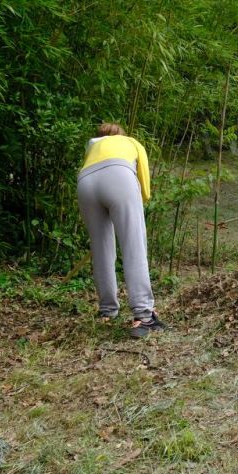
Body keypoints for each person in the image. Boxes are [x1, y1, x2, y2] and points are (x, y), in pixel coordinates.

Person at [77, 122, 164, 339]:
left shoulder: (91, 147)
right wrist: (134, 206)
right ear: (121, 134)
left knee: (101, 250)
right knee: (133, 246)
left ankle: (107, 311)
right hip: (120, 177)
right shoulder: (131, 142)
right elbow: (145, 186)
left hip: (85, 182)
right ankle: (144, 315)